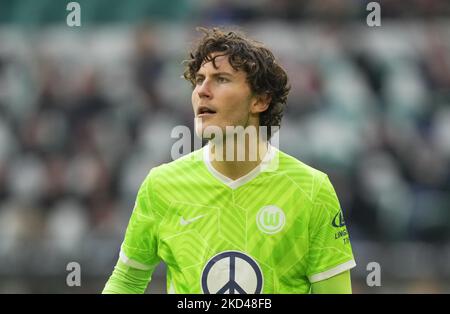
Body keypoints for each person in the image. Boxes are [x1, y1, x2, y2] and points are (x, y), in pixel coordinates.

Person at [103, 27, 356, 294]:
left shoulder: (311, 190)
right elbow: (126, 283)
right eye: (199, 80)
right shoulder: (160, 186)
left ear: (259, 100)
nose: (202, 90)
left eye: (221, 79)